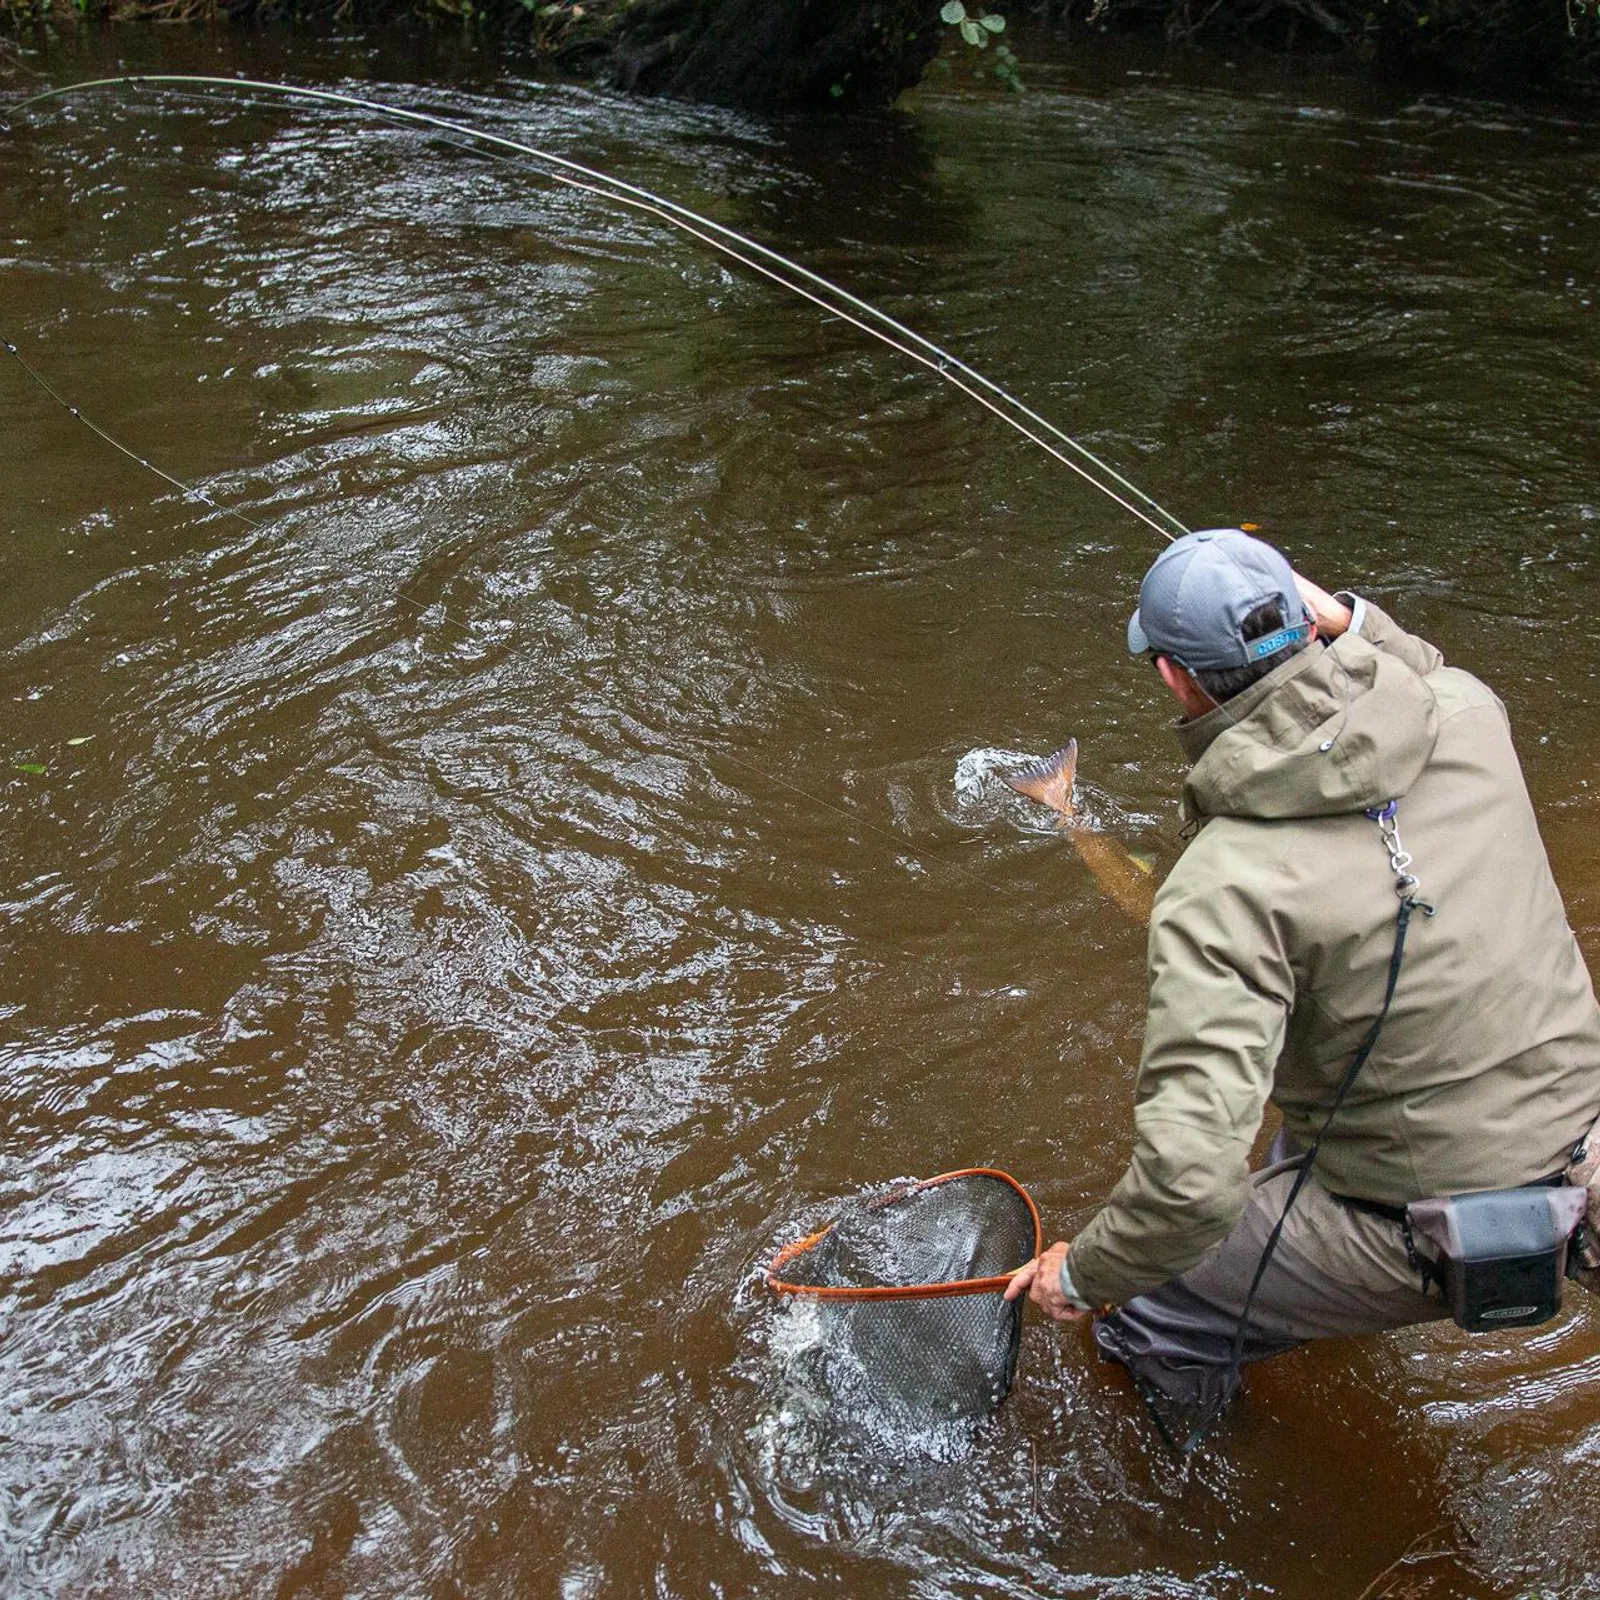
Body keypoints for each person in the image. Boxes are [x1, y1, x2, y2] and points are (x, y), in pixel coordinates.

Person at [1004, 528, 1600, 1432]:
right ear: (1306, 620)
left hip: (1428, 1214)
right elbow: (1419, 667)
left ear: (1171, 675)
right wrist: (1352, 620)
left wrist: (1082, 1275)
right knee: (1298, 1151)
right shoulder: (1471, 712)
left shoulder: (1223, 884)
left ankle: (1194, 1525)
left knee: (1148, 1303)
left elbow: (1189, 1190)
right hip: (1586, 1144)